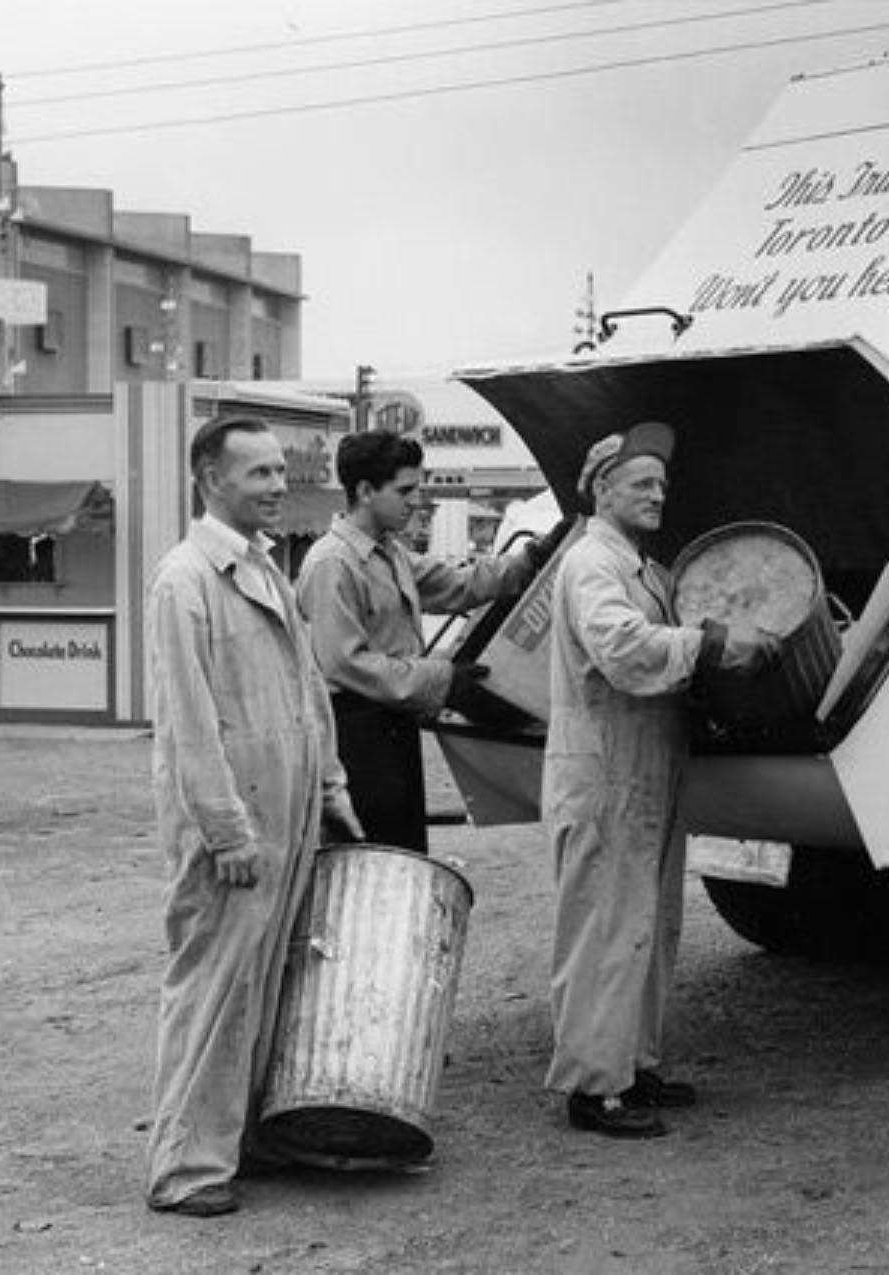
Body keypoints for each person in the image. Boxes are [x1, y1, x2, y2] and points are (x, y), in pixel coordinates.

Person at [144, 415, 364, 1218]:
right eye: (259, 473)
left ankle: (241, 1138)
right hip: (234, 827)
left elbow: (307, 693)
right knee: (213, 991)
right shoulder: (185, 580)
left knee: (269, 981)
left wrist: (331, 788)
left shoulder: (266, 565)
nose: (278, 485)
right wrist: (225, 830)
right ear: (211, 479)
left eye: (280, 470)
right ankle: (184, 1168)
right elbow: (187, 723)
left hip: (287, 811)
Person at [543, 421, 777, 1138]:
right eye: (641, 483)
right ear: (602, 488)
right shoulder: (592, 564)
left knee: (647, 920)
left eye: (662, 485)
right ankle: (593, 1086)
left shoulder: (645, 568)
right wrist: (712, 645)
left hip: (645, 765)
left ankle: (634, 1064)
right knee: (603, 925)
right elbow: (620, 647)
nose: (656, 494)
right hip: (606, 769)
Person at [297, 430, 558, 852]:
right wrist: (444, 679)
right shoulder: (333, 563)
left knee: (404, 855)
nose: (415, 501)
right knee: (370, 862)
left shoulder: (389, 553)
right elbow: (345, 664)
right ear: (365, 491)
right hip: (355, 738)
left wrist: (530, 560)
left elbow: (457, 583)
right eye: (404, 490)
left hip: (394, 728)